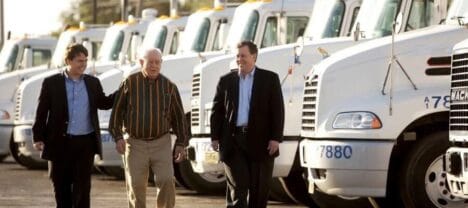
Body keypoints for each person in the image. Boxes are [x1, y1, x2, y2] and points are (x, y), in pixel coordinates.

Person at [32, 43, 115, 208]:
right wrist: (38, 137)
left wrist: (123, 92)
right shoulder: (51, 83)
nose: (83, 64)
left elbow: (103, 103)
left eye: (85, 61)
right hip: (59, 143)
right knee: (61, 187)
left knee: (83, 189)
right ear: (68, 61)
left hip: (85, 144)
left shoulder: (93, 82)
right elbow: (42, 112)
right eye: (79, 61)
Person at [109, 47, 188, 208]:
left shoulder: (169, 87)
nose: (154, 66)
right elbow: (116, 113)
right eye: (150, 62)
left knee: (166, 179)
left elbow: (179, 117)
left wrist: (181, 143)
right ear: (141, 62)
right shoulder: (129, 83)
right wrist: (117, 137)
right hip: (134, 143)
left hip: (161, 142)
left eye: (157, 62)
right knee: (136, 185)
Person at [210, 41, 285, 208]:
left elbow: (277, 110)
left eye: (243, 56)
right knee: (239, 185)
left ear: (254, 56)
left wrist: (275, 138)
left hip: (261, 142)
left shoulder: (269, 79)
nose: (239, 59)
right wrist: (215, 137)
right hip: (233, 141)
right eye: (237, 56)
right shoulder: (226, 81)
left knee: (259, 190)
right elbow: (217, 111)